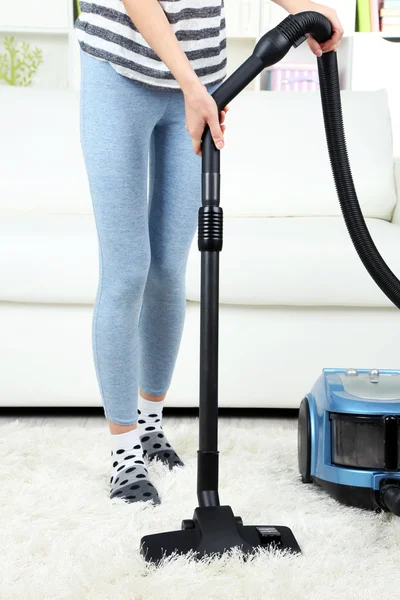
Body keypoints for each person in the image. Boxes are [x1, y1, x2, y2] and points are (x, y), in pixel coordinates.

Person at [76, 0, 344, 505]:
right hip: (119, 69)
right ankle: (124, 450)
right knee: (127, 269)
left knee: (169, 268)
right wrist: (190, 86)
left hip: (203, 75)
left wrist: (304, 8)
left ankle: (151, 426)